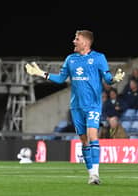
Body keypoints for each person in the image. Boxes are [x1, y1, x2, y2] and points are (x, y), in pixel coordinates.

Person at [25, 30, 125, 185]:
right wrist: (40, 73)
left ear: (85, 42)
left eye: (76, 39)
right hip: (76, 107)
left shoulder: (99, 58)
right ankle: (91, 174)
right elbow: (60, 79)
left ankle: (96, 175)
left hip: (93, 105)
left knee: (93, 136)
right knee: (84, 141)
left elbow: (107, 78)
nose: (73, 41)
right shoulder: (70, 59)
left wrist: (114, 80)